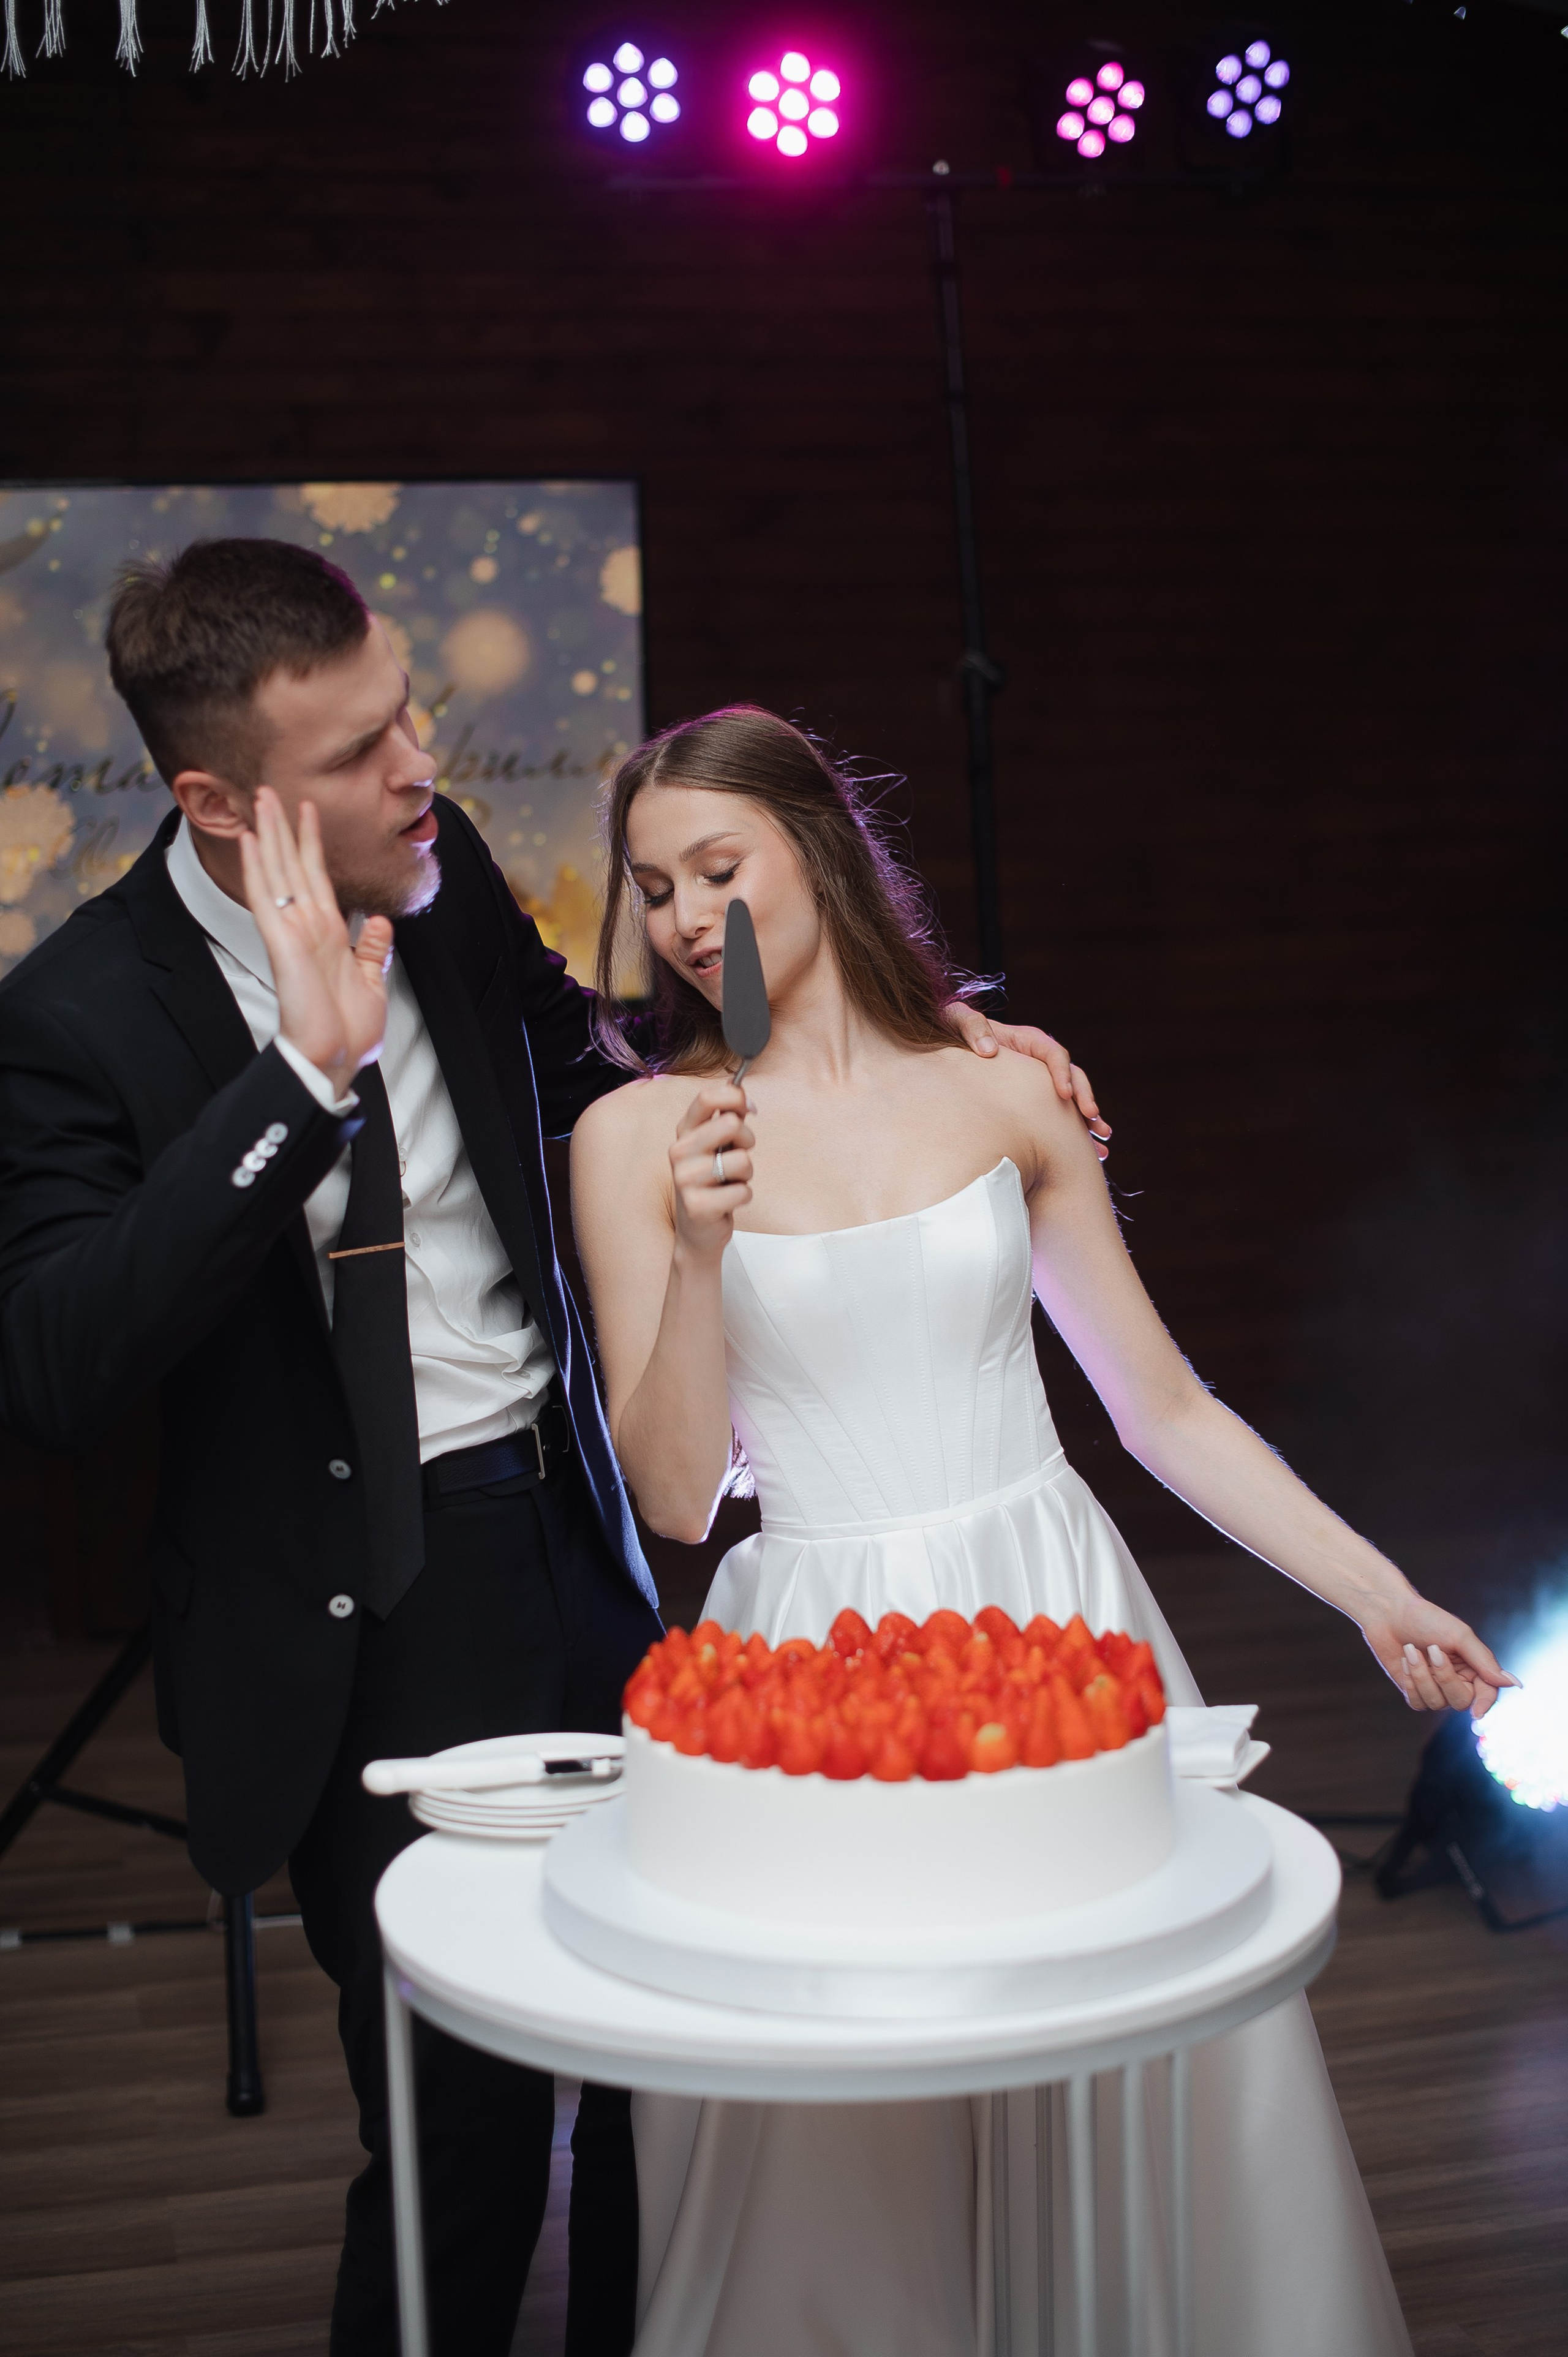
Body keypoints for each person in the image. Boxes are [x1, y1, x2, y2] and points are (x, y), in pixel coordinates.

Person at [0, 543, 1088, 2357]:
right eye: (357, 752)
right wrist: (297, 1084)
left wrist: (918, 1051)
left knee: (673, 2074)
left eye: (407, 711)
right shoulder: (73, 1020)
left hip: (579, 1551)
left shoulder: (438, 884)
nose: (417, 766)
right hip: (367, 1626)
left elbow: (603, 1091)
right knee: (460, 2131)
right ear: (214, 800)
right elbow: (51, 1367)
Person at [569, 704, 1514, 2357]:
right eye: (654, 890)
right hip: (818, 1660)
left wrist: (1376, 1593)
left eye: (720, 868)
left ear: (825, 851)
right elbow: (670, 1493)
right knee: (860, 2125)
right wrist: (703, 1252)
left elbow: (1167, 1413)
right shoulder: (641, 1135)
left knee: (1117, 2067)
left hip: (1053, 1620)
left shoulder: (1002, 1090)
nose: (686, 919)